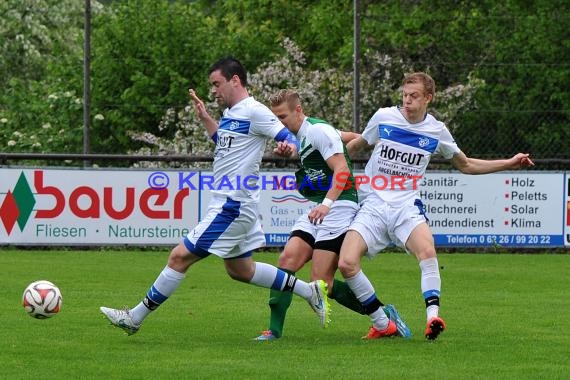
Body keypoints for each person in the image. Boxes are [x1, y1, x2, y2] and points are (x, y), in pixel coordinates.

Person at [100, 57, 331, 336]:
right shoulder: (232, 114)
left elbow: (289, 135)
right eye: (212, 86)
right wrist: (206, 119)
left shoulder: (254, 111)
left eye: (217, 84)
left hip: (231, 206)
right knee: (240, 270)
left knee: (179, 257)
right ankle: (310, 291)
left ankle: (134, 318)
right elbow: (223, 143)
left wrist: (287, 147)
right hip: (231, 204)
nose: (213, 90)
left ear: (235, 80)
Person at [339, 72, 535, 340]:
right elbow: (354, 148)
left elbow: (465, 164)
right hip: (372, 203)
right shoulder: (384, 117)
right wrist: (328, 163)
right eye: (405, 96)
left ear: (428, 98)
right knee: (347, 264)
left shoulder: (436, 130)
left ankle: (433, 318)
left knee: (428, 251)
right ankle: (383, 324)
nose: (407, 101)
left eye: (414, 96)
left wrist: (510, 163)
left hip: (405, 205)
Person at [255, 89, 411, 341]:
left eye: (282, 117)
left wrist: (327, 204)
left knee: (322, 282)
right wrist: (292, 153)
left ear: (298, 110)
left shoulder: (317, 130)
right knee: (287, 261)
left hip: (339, 206)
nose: (280, 124)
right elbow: (344, 137)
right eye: (276, 119)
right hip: (319, 206)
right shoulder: (308, 133)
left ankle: (382, 315)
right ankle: (274, 331)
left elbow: (341, 170)